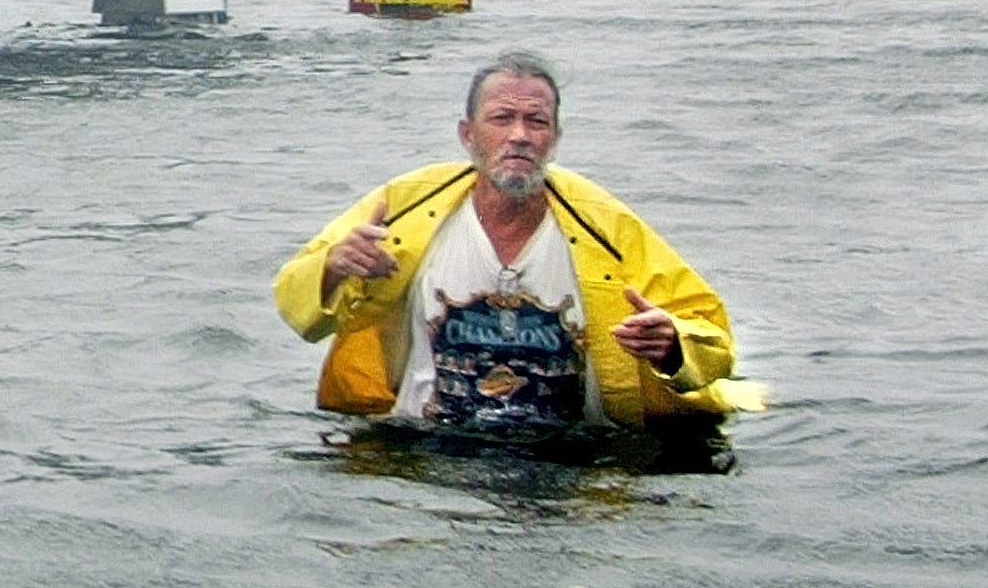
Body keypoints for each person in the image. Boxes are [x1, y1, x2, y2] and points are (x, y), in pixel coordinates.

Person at [274, 51, 762, 432]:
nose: (520, 136)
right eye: (502, 119)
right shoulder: (406, 208)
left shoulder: (603, 226)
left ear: (555, 138)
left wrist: (673, 345)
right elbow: (296, 307)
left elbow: (715, 342)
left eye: (537, 122)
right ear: (468, 135)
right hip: (428, 446)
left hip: (568, 452)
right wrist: (335, 267)